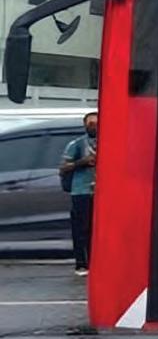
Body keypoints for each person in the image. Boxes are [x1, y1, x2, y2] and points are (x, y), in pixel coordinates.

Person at [58, 112, 98, 275]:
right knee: (82, 228)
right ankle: (81, 263)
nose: (94, 127)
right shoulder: (76, 144)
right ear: (85, 125)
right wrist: (82, 162)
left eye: (97, 123)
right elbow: (63, 167)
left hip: (102, 192)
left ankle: (97, 261)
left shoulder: (109, 143)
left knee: (97, 229)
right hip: (81, 191)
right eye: (91, 124)